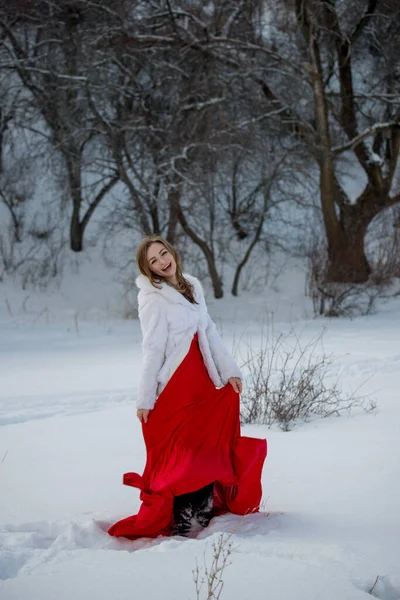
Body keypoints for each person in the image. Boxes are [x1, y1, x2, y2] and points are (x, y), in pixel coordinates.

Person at [108, 235, 267, 540]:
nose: (162, 262)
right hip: (178, 384)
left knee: (207, 447)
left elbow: (209, 331)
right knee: (185, 452)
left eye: (163, 254)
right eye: (153, 261)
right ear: (148, 269)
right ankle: (184, 521)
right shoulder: (153, 298)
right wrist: (146, 398)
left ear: (172, 252)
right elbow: (152, 349)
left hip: (204, 379)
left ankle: (202, 515)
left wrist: (229, 371)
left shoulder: (192, 286)